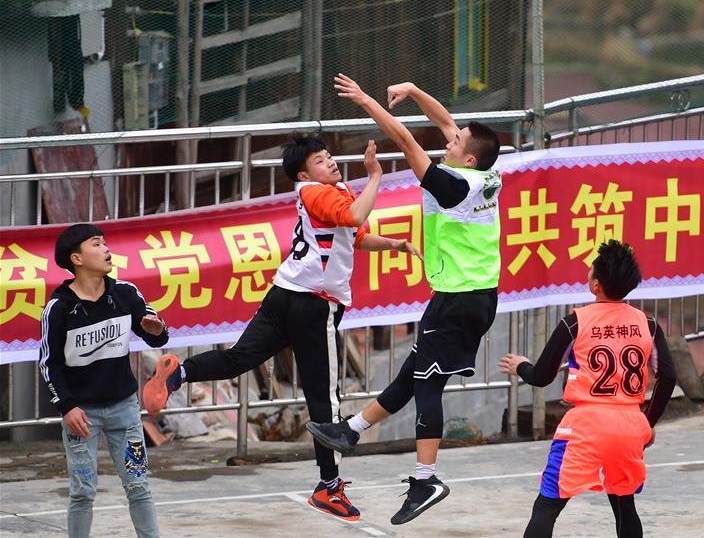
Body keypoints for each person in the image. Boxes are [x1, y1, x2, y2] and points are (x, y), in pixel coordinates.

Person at [142, 135, 421, 523]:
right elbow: (356, 217)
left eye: (329, 156)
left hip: (284, 294)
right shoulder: (316, 192)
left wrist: (394, 245)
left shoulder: (331, 192)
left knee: (239, 358)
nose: (331, 162)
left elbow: (355, 236)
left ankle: (179, 374)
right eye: (320, 160)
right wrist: (375, 175)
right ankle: (328, 488)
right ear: (304, 174)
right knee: (325, 399)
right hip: (313, 305)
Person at [306, 74, 503, 525]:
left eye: (456, 143)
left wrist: (365, 99)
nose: (449, 141)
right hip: (474, 295)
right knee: (414, 373)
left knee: (427, 384)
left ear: (468, 157)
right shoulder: (487, 172)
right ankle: (351, 430)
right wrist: (413, 91)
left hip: (457, 298)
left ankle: (425, 479)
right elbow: (446, 123)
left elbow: (404, 140)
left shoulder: (453, 186)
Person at [499, 240, 676, 538]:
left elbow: (542, 376)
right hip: (630, 423)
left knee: (547, 507)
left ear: (596, 285)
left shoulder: (575, 322)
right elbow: (667, 377)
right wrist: (647, 422)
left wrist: (521, 366)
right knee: (624, 505)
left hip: (586, 424)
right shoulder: (647, 324)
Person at [40, 223, 170, 538]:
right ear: (77, 259)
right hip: (81, 415)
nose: (106, 249)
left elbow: (155, 333)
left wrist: (156, 330)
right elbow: (49, 365)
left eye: (105, 243)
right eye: (96, 244)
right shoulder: (59, 308)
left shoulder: (125, 293)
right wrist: (67, 407)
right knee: (82, 491)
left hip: (125, 409)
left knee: (139, 485)